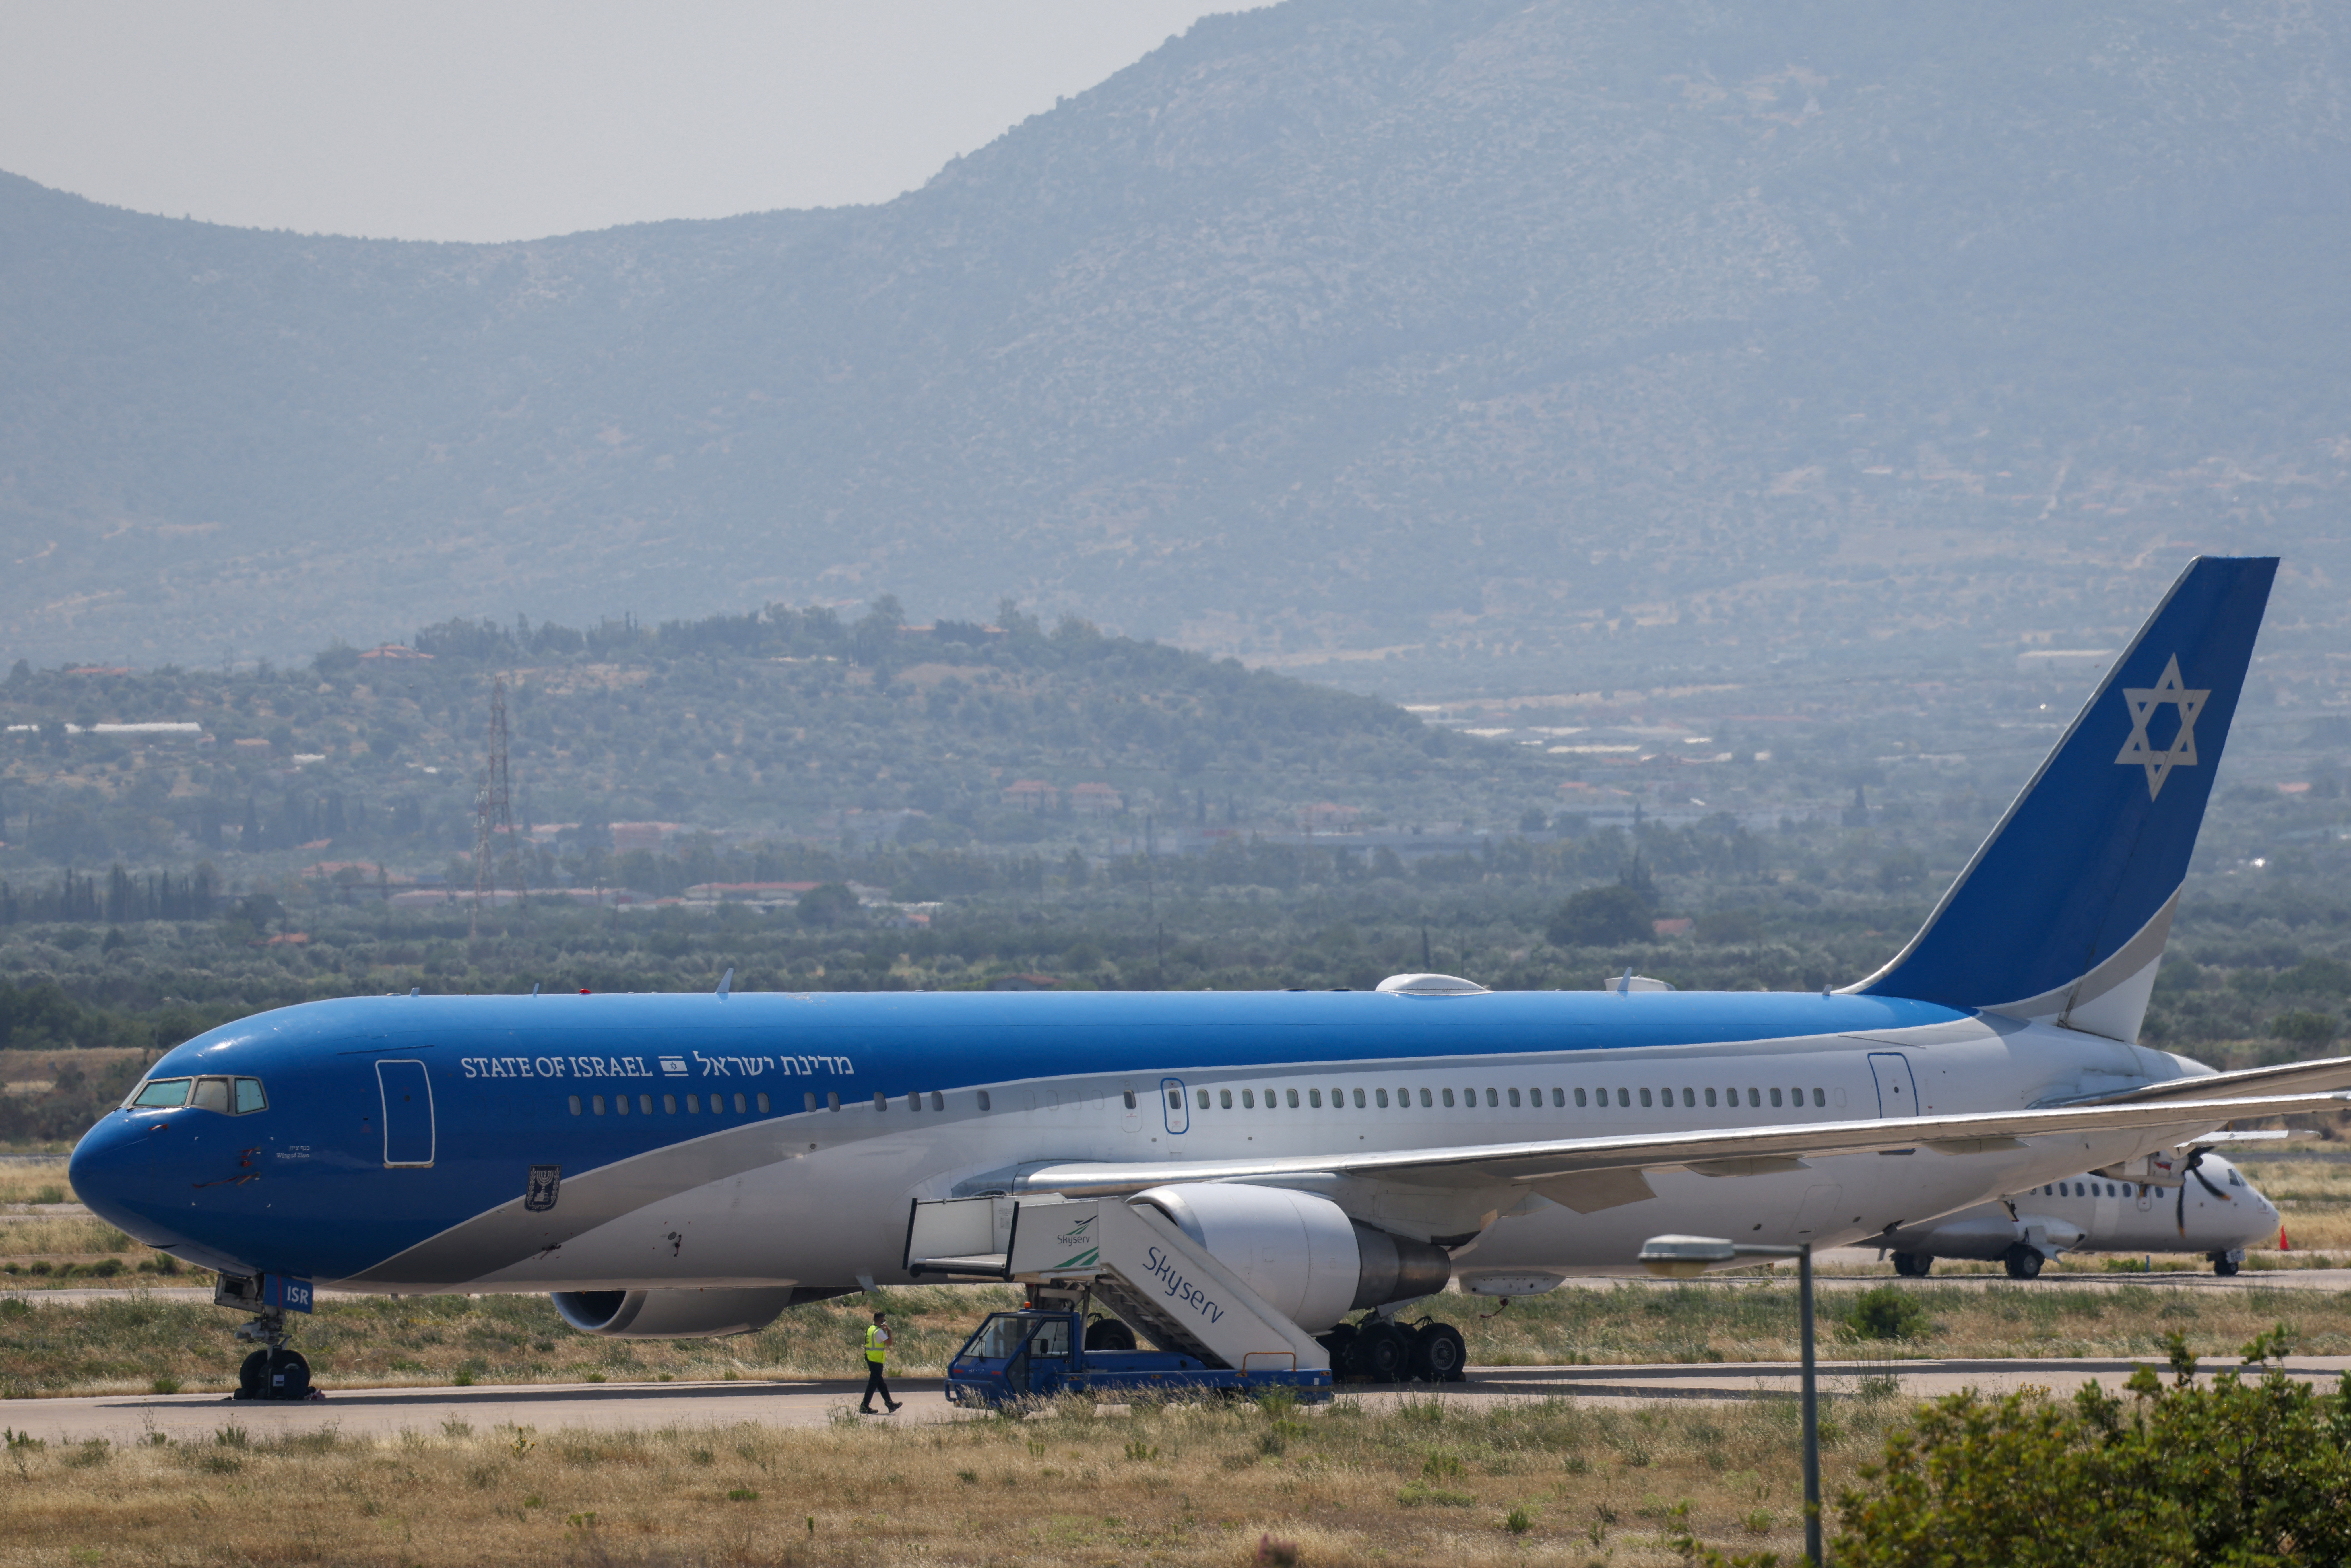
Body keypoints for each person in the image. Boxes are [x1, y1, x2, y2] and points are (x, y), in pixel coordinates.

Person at [859, 1309, 900, 1414]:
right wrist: (889, 1331)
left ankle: (890, 1404)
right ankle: (865, 1406)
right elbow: (890, 1343)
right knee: (873, 1385)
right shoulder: (879, 1332)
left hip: (870, 1358)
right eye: (884, 1320)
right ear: (882, 1321)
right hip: (877, 1361)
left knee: (881, 1384)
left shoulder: (871, 1329)